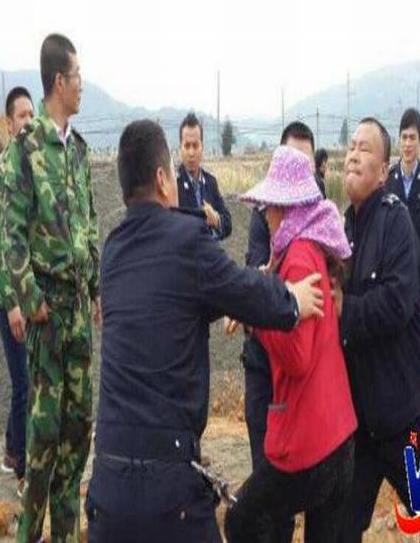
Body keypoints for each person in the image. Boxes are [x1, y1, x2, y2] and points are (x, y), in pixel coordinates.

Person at [86, 121, 325, 541]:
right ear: (163, 179)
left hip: (106, 484)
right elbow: (237, 289)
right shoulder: (185, 238)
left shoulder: (113, 250)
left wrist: (250, 285)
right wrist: (291, 300)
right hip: (167, 489)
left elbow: (183, 300)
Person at [334, 117, 420, 542]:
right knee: (340, 528)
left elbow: (396, 303)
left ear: (383, 170)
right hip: (359, 423)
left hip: (402, 415)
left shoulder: (397, 223)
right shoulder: (343, 229)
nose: (353, 155)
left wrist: (343, 308)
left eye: (365, 148)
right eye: (351, 147)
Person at [224, 146, 356, 542]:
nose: (265, 215)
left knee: (241, 521)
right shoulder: (311, 249)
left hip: (309, 444)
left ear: (287, 208)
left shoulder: (297, 258)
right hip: (338, 437)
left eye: (269, 206)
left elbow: (297, 357)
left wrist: (257, 320)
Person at [0, 34, 101, 542]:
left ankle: (63, 535)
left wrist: (96, 286)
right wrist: (29, 298)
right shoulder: (26, 148)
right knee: (42, 441)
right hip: (47, 314)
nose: (82, 85)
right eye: (77, 76)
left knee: (77, 435)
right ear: (59, 81)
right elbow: (10, 232)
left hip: (78, 312)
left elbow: (90, 220)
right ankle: (27, 536)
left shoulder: (77, 151)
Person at [241, 120, 316, 542]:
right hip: (262, 367)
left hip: (295, 376)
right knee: (265, 474)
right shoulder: (263, 216)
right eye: (292, 161)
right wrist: (285, 296)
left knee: (292, 484)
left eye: (306, 164)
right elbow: (257, 275)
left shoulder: (319, 228)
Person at [0, 86, 34, 491]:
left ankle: (9, 449)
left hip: (31, 291)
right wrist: (13, 304)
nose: (28, 123)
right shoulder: (2, 173)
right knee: (24, 384)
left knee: (26, 378)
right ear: (8, 123)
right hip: (11, 299)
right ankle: (22, 471)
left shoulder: (31, 168)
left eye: (32, 115)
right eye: (22, 116)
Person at [386, 108, 420, 295]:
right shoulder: (387, 180)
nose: (408, 144)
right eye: (404, 137)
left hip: (419, 272)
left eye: (412, 138)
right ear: (399, 140)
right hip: (392, 271)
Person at [177, 112, 232, 240]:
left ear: (202, 147)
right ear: (181, 148)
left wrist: (216, 220)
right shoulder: (175, 185)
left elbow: (228, 223)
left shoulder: (210, 182)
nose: (191, 153)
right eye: (187, 146)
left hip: (211, 251)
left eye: (195, 146)